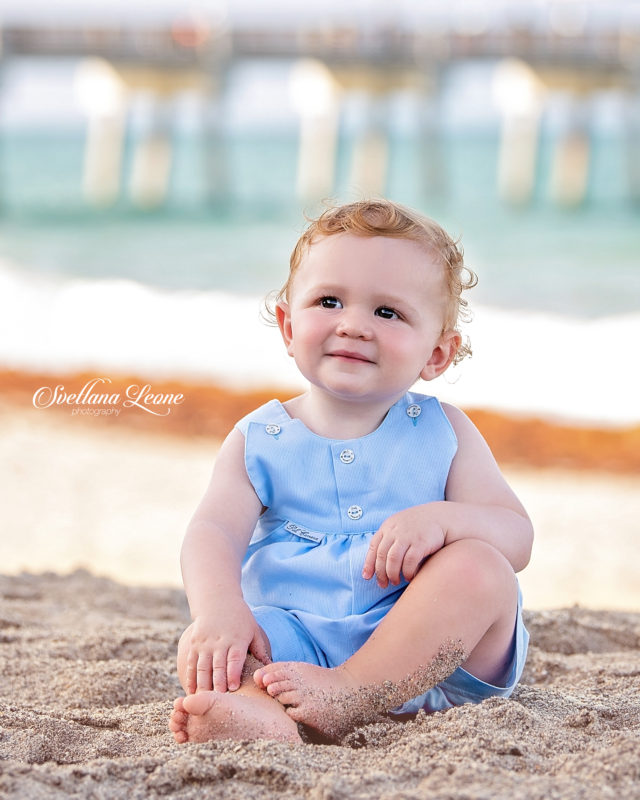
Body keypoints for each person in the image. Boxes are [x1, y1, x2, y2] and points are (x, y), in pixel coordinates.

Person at [169, 199, 533, 745]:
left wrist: (444, 520)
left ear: (436, 354)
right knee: (217, 644)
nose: (354, 325)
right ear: (289, 326)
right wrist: (219, 611)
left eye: (388, 313)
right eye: (329, 300)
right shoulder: (261, 437)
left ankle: (352, 691)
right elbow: (212, 532)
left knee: (482, 568)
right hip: (297, 649)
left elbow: (517, 537)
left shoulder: (444, 431)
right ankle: (259, 716)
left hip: (432, 657)